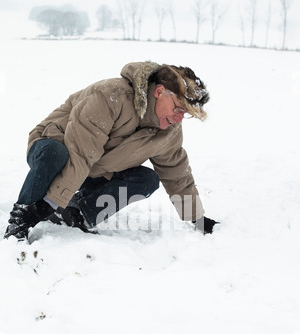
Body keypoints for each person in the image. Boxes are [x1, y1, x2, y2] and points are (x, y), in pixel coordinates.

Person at [4, 61, 219, 241]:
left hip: (93, 165)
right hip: (55, 147)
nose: (179, 118)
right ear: (160, 91)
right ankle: (20, 218)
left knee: (146, 179)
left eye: (186, 114)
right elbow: (80, 153)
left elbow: (176, 172)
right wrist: (46, 205)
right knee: (56, 154)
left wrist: (196, 219)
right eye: (178, 108)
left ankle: (77, 214)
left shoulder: (168, 130)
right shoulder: (111, 96)